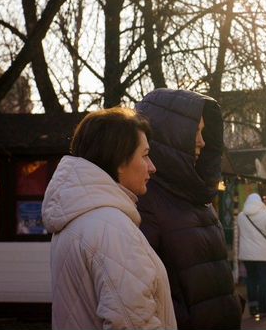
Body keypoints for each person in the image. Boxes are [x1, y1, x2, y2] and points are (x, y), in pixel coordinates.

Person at [42, 108, 177, 330]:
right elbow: (132, 323)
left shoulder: (78, 219)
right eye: (144, 155)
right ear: (118, 161)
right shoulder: (111, 228)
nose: (152, 167)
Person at [136, 89, 243, 330]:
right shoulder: (146, 201)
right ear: (169, 136)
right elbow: (145, 296)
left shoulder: (196, 195)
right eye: (195, 132)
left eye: (204, 132)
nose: (202, 142)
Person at [236, 192, 266, 319]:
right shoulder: (265, 215)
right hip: (264, 255)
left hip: (247, 255)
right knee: (264, 282)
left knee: (251, 280)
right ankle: (263, 310)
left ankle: (253, 307)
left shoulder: (241, 216)